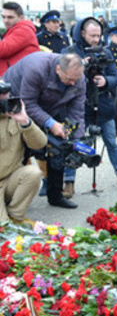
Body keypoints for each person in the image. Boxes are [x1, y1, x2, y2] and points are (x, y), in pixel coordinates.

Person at [62, 18, 117, 193]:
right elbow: (62, 76)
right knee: (74, 143)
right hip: (78, 106)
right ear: (82, 33)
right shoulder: (70, 52)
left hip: (103, 103)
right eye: (92, 35)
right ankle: (69, 182)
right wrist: (81, 66)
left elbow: (115, 76)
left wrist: (105, 81)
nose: (96, 39)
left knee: (111, 141)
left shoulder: (105, 52)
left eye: (98, 35)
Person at [4, 52, 87, 209]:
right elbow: (27, 103)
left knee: (58, 147)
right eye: (69, 79)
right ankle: (10, 198)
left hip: (49, 105)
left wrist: (77, 138)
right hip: (16, 104)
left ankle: (55, 195)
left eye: (75, 80)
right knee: (20, 150)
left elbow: (77, 110)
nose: (72, 83)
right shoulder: (37, 68)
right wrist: (51, 123)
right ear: (58, 69)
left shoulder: (78, 78)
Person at [0, 96, 46, 225]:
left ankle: (15, 215)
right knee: (3, 228)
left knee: (33, 173)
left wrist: (25, 122)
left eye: (6, 97)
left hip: (10, 178)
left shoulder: (14, 116)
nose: (4, 102)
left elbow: (40, 144)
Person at [0, 2, 40, 76]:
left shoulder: (24, 30)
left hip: (20, 79)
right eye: (3, 17)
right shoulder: (15, 29)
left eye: (10, 17)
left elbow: (3, 49)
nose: (5, 21)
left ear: (21, 17)